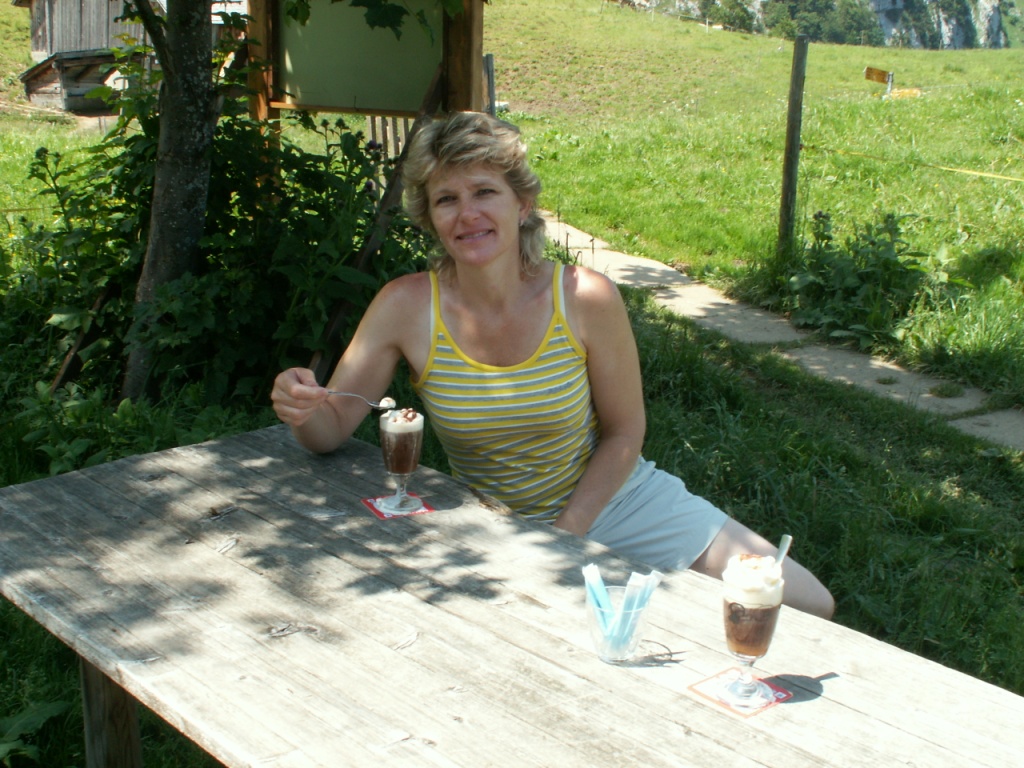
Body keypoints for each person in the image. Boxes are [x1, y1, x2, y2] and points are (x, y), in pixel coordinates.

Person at [271, 111, 835, 619]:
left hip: (615, 501)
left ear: (522, 204)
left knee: (808, 602)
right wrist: (300, 407)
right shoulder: (405, 306)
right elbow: (330, 429)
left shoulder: (584, 297)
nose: (467, 214)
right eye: (446, 199)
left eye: (485, 191)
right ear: (430, 217)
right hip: (493, 526)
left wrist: (565, 538)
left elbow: (625, 432)